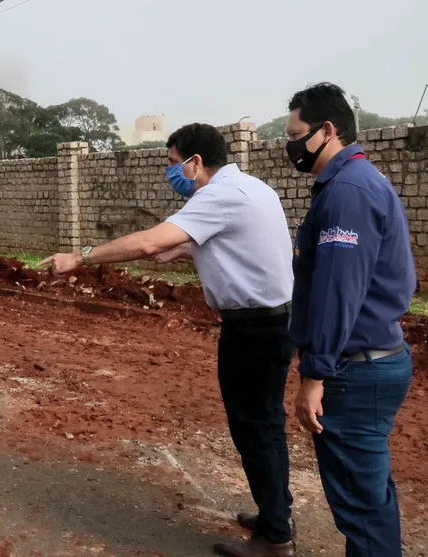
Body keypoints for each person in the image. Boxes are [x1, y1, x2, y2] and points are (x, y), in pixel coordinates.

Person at [41, 123, 297, 557]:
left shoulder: (216, 195)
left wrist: (79, 257)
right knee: (267, 425)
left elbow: (146, 243)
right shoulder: (255, 189)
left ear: (196, 163)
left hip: (252, 328)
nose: (171, 172)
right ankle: (277, 513)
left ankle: (275, 539)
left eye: (173, 163)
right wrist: (185, 250)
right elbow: (244, 244)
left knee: (253, 428)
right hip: (277, 322)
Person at [287, 82, 415, 557]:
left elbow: (338, 291)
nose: (291, 145)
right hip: (370, 359)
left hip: (354, 369)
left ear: (327, 130)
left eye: (296, 134)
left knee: (361, 505)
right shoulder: (352, 183)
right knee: (368, 495)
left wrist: (316, 373)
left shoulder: (348, 192)